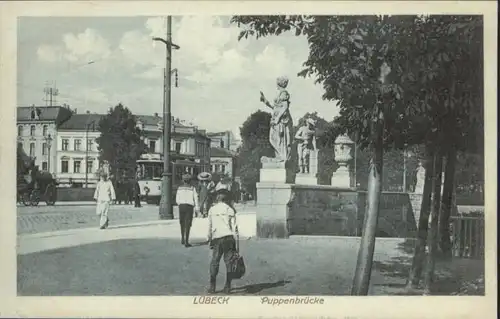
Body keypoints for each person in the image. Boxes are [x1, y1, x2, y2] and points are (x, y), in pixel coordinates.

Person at [206, 188, 239, 294]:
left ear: (217, 198)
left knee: (214, 261)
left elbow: (210, 226)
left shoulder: (212, 210)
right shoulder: (230, 210)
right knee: (229, 262)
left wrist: (209, 238)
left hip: (217, 237)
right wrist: (237, 245)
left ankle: (212, 286)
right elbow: (235, 228)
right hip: (229, 237)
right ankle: (228, 286)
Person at [259, 76, 294, 162]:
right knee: (275, 139)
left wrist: (277, 119)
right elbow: (275, 108)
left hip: (281, 121)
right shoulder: (281, 94)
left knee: (277, 139)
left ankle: (282, 157)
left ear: (279, 84)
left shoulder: (284, 93)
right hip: (277, 120)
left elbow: (284, 107)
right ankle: (280, 156)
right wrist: (265, 101)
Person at [175, 173, 199, 247]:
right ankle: (186, 241)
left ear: (183, 180)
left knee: (182, 223)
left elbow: (177, 199)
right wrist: (197, 209)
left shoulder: (179, 188)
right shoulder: (192, 188)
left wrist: (180, 203)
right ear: (190, 181)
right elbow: (196, 198)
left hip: (181, 206)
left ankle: (182, 238)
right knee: (188, 224)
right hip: (189, 207)